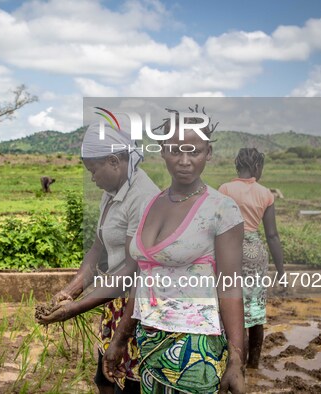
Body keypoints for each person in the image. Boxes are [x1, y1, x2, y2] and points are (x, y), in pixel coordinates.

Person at [103, 108, 246, 394]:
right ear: (163, 152)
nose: (184, 160)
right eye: (175, 150)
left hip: (196, 348)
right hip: (149, 338)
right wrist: (121, 337)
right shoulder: (149, 204)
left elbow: (230, 286)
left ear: (208, 154)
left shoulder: (221, 209)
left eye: (194, 151)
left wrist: (236, 360)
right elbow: (142, 277)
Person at [36, 122, 160, 393]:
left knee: (129, 383)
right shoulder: (112, 191)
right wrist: (69, 291)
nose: (92, 178)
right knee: (104, 379)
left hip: (139, 309)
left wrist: (75, 308)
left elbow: (132, 270)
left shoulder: (143, 198)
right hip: (114, 300)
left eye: (93, 170)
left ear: (114, 161)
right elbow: (98, 248)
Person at [218, 147, 285, 369]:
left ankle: (235, 369)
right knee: (255, 313)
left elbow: (216, 227)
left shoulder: (225, 190)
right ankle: (254, 367)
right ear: (257, 167)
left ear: (238, 165)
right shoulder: (266, 193)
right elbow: (272, 236)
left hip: (230, 250)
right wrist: (281, 273)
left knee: (234, 311)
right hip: (255, 254)